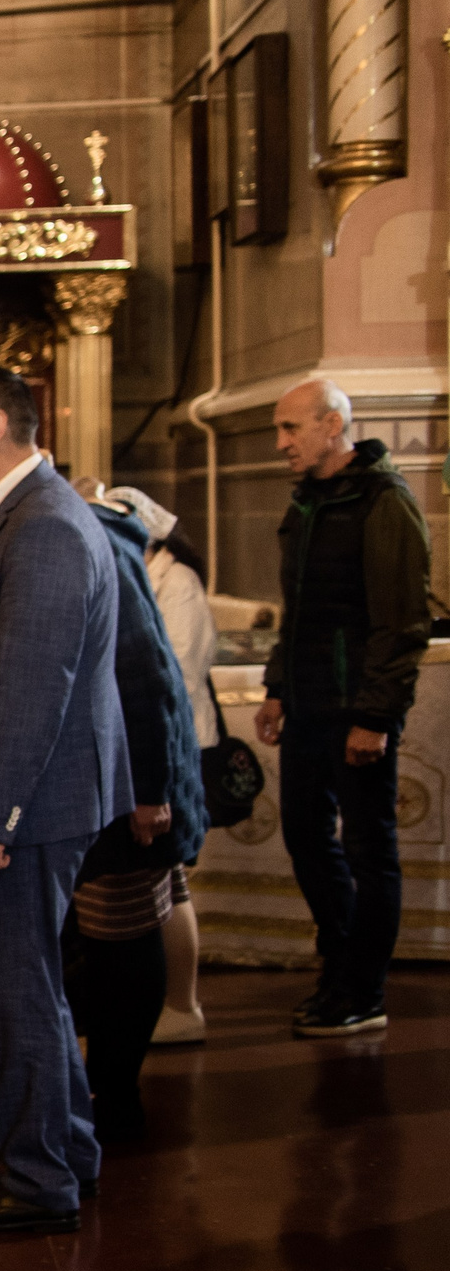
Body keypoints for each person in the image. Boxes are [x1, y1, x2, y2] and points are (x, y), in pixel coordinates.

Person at [0, 367, 130, 1234]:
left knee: (17, 992)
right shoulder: (21, 516)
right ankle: (66, 1152)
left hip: (27, 810)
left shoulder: (42, 526)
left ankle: (38, 1179)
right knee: (32, 983)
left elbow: (36, 686)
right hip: (32, 803)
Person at [258, 377, 433, 1039]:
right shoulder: (308, 500)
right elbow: (299, 609)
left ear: (332, 426)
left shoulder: (383, 501)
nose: (281, 443)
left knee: (368, 850)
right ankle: (340, 962)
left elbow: (401, 623)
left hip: (355, 710)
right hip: (307, 706)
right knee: (305, 837)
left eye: (291, 428)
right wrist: (278, 687)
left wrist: (375, 717)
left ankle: (364, 990)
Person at [66, 491, 208, 1140]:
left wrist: (149, 791)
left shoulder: (100, 545)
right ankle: (108, 1078)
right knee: (125, 925)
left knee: (127, 934)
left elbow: (147, 676)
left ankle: (117, 1089)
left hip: (128, 783)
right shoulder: (99, 543)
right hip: (113, 777)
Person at [99, 485, 216, 1046]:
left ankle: (179, 1005)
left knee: (164, 888)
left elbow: (175, 676)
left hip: (170, 751)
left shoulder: (178, 582)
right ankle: (173, 1006)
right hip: (153, 753)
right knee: (167, 888)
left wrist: (152, 783)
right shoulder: (141, 572)